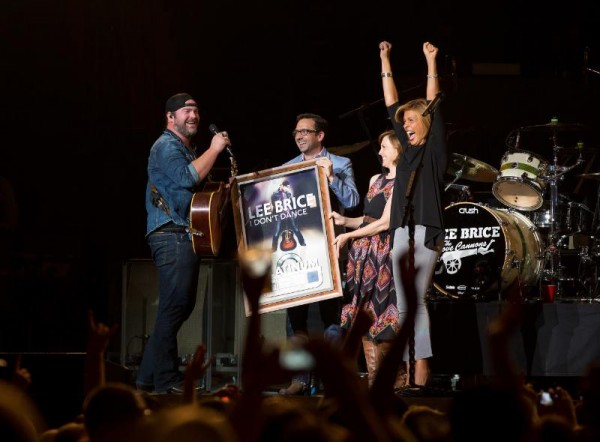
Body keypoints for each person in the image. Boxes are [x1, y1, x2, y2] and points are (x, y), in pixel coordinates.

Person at [136, 92, 230, 394]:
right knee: (175, 306)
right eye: (186, 110)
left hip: (183, 234)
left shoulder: (184, 149)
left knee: (177, 306)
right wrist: (215, 150)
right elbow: (188, 178)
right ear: (170, 117)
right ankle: (165, 380)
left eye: (196, 111)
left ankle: (146, 378)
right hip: (170, 234)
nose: (193, 115)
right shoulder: (165, 146)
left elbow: (194, 191)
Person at [380, 41, 447, 387]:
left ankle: (422, 367)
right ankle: (409, 368)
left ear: (423, 121)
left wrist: (430, 62)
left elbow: (433, 103)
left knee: (416, 299)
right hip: (400, 229)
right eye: (402, 122)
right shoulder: (404, 151)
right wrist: (385, 59)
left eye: (410, 120)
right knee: (404, 304)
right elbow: (390, 103)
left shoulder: (434, 147)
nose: (405, 125)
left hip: (425, 226)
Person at [278, 113, 359, 395]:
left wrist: (332, 177)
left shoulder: (341, 163)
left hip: (330, 252)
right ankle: (299, 380)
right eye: (296, 132)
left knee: (331, 317)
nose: (299, 136)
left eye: (305, 131)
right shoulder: (286, 168)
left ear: (320, 135)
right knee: (295, 317)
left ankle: (330, 378)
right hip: (296, 253)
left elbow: (352, 201)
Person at [330, 129, 403, 389]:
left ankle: (393, 380)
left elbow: (384, 223)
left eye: (385, 147)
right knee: (362, 313)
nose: (380, 152)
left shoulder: (402, 182)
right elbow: (367, 218)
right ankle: (374, 381)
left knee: (382, 313)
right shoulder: (375, 179)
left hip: (383, 252)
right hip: (364, 253)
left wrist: (349, 237)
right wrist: (344, 221)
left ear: (398, 150)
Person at [271, 180, 306, 251]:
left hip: (289, 213)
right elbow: (274, 204)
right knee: (276, 231)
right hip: (279, 215)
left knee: (295, 228)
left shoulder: (288, 193)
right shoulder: (274, 194)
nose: (287, 189)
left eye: (288, 187)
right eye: (286, 187)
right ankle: (274, 248)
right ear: (281, 185)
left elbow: (291, 204)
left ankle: (302, 242)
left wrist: (293, 212)